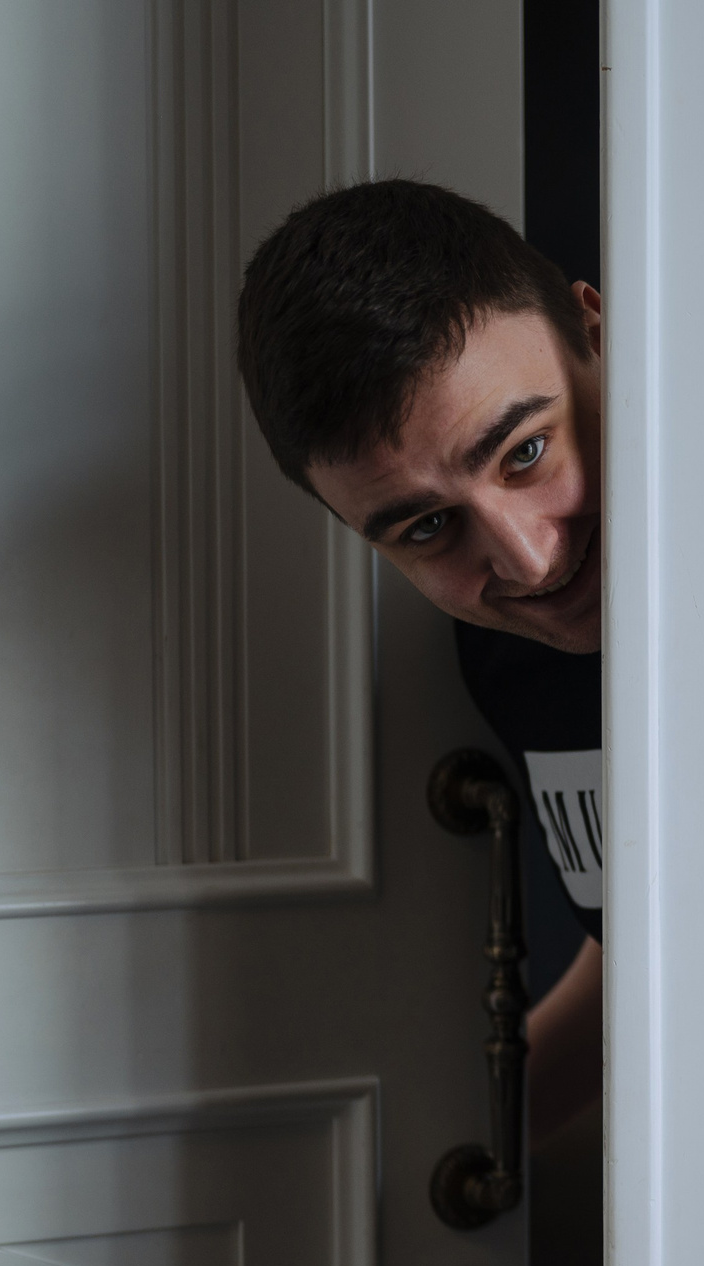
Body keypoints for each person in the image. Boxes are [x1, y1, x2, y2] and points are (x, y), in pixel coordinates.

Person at [236, 180, 605, 1136]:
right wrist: (459, 1149)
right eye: (431, 528)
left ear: (593, 331)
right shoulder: (506, 658)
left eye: (525, 453)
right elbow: (646, 954)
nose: (531, 559)